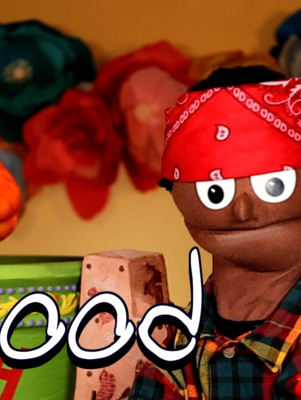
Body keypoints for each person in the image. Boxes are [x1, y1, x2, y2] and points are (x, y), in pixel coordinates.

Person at [129, 66, 301, 399]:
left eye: (274, 185)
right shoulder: (178, 344)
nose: (243, 211)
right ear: (175, 191)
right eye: (216, 191)